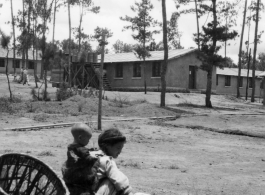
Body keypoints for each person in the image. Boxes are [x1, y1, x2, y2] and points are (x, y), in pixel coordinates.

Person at [95, 128, 150, 195]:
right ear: (107, 146)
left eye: (121, 148)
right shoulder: (107, 160)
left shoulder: (92, 156)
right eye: (118, 148)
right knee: (110, 182)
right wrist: (128, 192)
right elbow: (118, 180)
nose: (120, 151)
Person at [62, 123, 99, 195]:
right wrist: (97, 155)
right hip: (80, 179)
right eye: (88, 139)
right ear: (80, 138)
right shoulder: (81, 149)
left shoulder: (71, 147)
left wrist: (90, 150)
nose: (88, 141)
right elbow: (88, 159)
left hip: (70, 175)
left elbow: (81, 154)